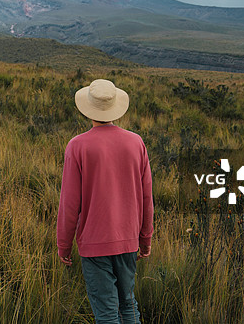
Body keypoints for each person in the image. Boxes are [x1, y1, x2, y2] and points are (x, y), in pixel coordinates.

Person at [57, 78, 154, 324]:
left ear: (88, 108)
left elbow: (69, 203)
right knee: (128, 304)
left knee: (107, 313)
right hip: (128, 240)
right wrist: (145, 239)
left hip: (94, 243)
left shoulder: (77, 146)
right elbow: (147, 198)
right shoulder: (136, 142)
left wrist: (64, 246)